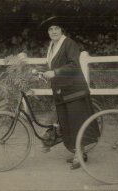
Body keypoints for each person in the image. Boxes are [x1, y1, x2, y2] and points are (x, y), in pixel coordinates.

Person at [39, 16, 100, 169]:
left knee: (77, 122)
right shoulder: (52, 46)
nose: (53, 31)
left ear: (62, 30)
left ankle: (80, 155)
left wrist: (55, 72)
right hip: (61, 90)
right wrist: (43, 73)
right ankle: (78, 152)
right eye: (50, 29)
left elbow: (73, 65)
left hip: (74, 90)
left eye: (56, 28)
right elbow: (52, 65)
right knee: (67, 123)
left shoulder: (69, 43)